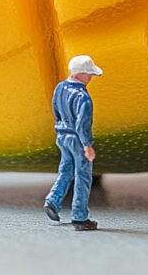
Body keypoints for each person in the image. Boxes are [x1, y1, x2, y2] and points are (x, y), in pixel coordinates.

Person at [43, 55, 103, 231]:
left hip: (62, 136)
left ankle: (52, 201)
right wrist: (87, 145)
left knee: (65, 170)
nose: (91, 78)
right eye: (89, 74)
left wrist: (61, 130)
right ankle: (80, 216)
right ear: (81, 74)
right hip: (77, 139)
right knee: (83, 176)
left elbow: (57, 111)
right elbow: (82, 124)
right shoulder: (83, 97)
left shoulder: (60, 88)